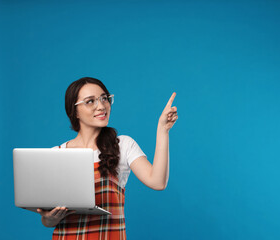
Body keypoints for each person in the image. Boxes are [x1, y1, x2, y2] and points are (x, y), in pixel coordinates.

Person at [36, 77, 178, 240]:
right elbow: (47, 221)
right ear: (74, 111)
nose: (101, 106)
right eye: (90, 101)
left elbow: (157, 181)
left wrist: (163, 130)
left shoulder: (123, 145)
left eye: (104, 98)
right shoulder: (57, 154)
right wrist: (50, 218)